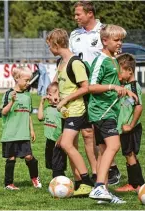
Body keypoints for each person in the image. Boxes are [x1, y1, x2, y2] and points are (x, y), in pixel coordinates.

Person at [87, 24, 138, 204]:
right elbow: (91, 87)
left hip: (109, 111)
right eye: (116, 40)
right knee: (114, 145)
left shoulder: (114, 60)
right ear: (105, 40)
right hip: (101, 112)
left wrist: (126, 90)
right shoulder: (100, 60)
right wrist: (112, 87)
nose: (120, 43)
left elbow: (115, 84)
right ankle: (100, 186)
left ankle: (103, 193)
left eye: (121, 40)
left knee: (103, 152)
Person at [46, 28, 94, 196]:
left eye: (50, 46)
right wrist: (56, 95)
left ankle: (87, 182)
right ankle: (80, 182)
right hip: (66, 112)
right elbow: (60, 84)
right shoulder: (61, 62)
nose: (49, 50)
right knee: (71, 146)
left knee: (65, 144)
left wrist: (66, 99)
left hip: (76, 110)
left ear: (57, 44)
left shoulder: (75, 63)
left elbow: (85, 88)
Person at [69, 0, 101, 183]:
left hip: (99, 89)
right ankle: (95, 174)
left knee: (102, 134)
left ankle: (108, 169)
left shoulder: (104, 32)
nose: (75, 17)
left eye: (78, 14)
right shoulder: (75, 34)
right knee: (86, 133)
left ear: (90, 13)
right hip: (81, 89)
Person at [1, 67, 41, 190]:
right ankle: (9, 184)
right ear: (17, 79)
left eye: (29, 80)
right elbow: (4, 112)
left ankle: (35, 178)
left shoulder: (28, 96)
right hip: (10, 133)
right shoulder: (8, 94)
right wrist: (12, 102)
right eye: (26, 80)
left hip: (23, 134)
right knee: (11, 158)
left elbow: (28, 114)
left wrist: (32, 130)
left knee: (29, 157)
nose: (28, 83)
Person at [114, 53, 144, 193]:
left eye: (119, 71)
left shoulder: (133, 87)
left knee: (129, 154)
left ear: (129, 71)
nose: (117, 74)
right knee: (128, 154)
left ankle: (136, 184)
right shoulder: (126, 86)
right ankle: (137, 183)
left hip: (130, 128)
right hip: (124, 128)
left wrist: (131, 125)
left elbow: (138, 106)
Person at [37, 82, 67, 178]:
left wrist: (61, 137)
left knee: (58, 165)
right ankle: (59, 180)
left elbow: (66, 125)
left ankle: (58, 182)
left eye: (50, 94)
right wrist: (41, 103)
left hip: (58, 141)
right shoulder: (48, 108)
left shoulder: (62, 109)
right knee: (51, 163)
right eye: (47, 94)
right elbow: (40, 117)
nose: (47, 97)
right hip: (49, 140)